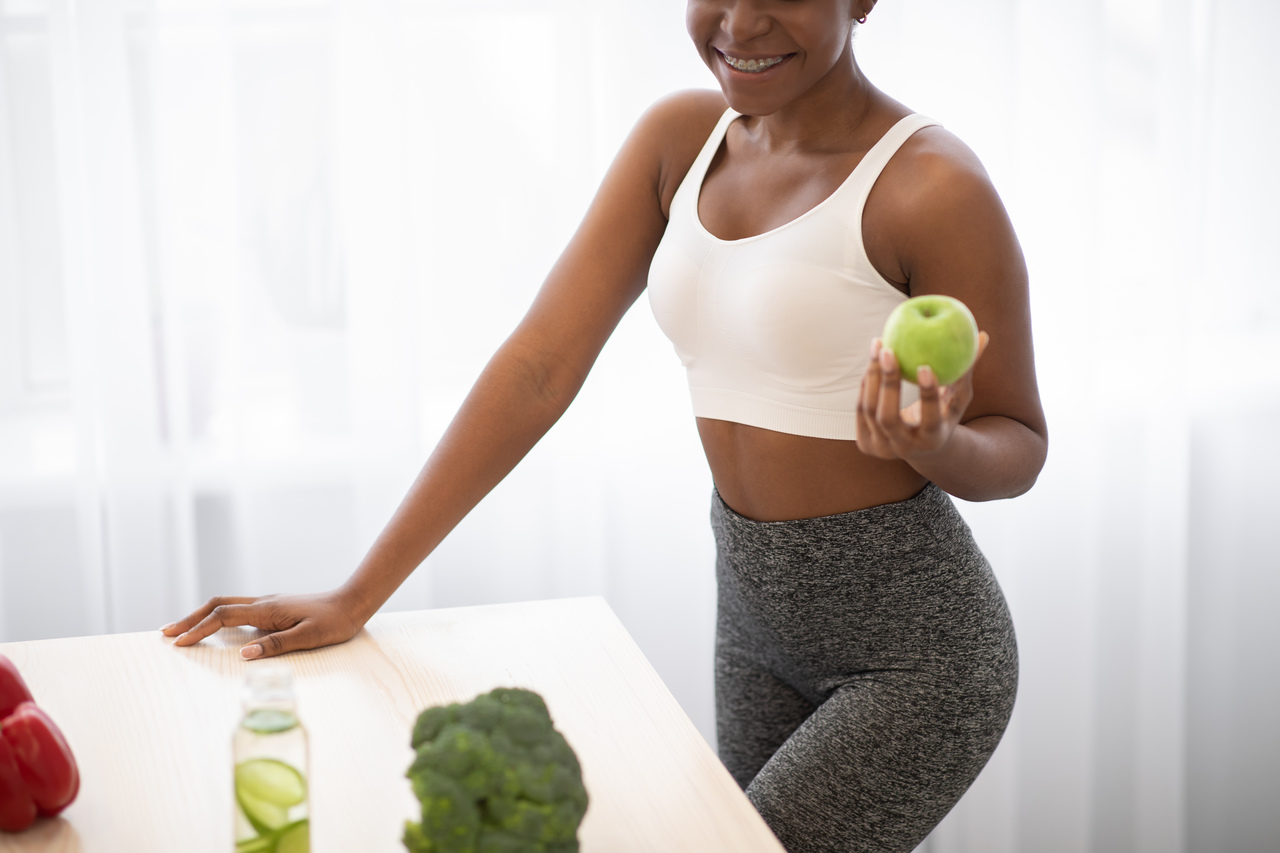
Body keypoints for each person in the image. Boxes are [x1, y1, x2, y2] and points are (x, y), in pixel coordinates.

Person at [163, 1, 1048, 850]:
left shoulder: (933, 185)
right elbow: (539, 366)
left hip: (917, 656)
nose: (739, 24)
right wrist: (358, 594)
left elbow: (1019, 441)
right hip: (752, 616)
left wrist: (937, 443)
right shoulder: (680, 142)